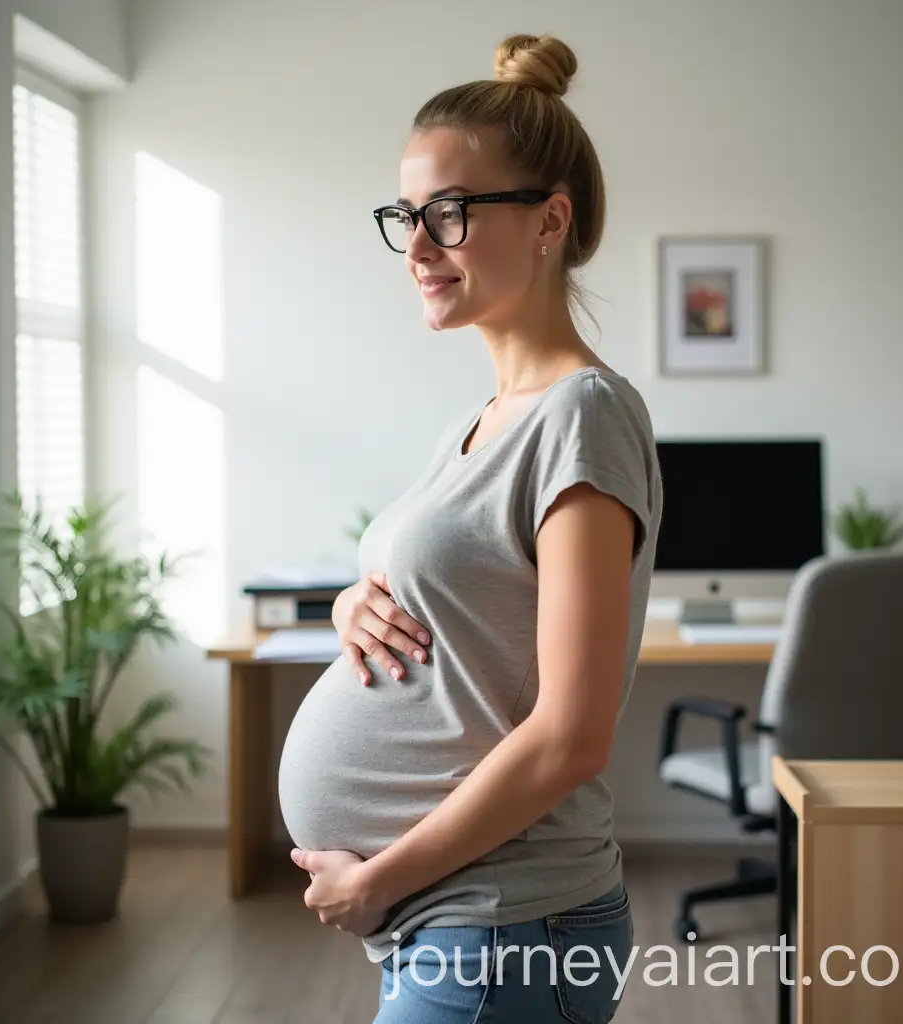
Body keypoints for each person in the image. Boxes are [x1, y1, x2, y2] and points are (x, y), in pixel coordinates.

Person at [277, 32, 664, 1023]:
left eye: (447, 213)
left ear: (550, 220)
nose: (416, 245)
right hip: (464, 922)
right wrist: (351, 603)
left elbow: (572, 735)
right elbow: (460, 606)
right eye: (405, 215)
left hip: (505, 923)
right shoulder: (480, 420)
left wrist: (378, 881)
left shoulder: (582, 415)